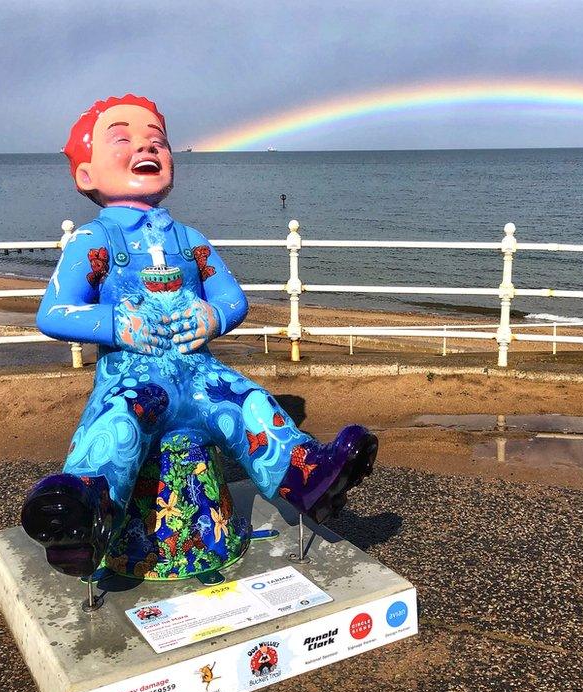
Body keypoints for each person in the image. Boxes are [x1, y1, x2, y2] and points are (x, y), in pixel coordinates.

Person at [22, 95, 378, 576]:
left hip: (202, 377)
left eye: (157, 140)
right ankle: (87, 511)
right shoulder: (94, 240)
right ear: (86, 175)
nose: (146, 147)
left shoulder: (191, 240)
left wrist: (214, 317)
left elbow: (233, 299)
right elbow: (54, 311)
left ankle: (307, 476)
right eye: (122, 138)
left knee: (250, 401)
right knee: (117, 424)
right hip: (135, 380)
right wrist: (112, 323)